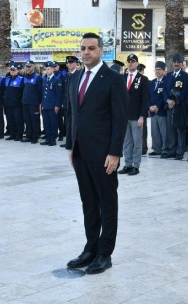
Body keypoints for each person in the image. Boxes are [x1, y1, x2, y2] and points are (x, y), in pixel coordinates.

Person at [65, 32, 127, 275]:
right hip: (81, 152)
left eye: (91, 48)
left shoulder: (112, 79)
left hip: (103, 154)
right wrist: (70, 146)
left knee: (107, 203)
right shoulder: (75, 77)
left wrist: (115, 152)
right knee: (88, 203)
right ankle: (90, 248)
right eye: (83, 48)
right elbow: (71, 115)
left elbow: (120, 118)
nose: (86, 52)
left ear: (101, 50)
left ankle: (104, 253)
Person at [119, 54, 149, 175]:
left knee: (137, 142)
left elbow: (145, 99)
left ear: (137, 64)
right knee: (126, 142)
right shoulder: (122, 78)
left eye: (133, 61)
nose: (130, 63)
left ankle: (136, 165)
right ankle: (128, 164)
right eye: (129, 61)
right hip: (124, 115)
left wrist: (142, 116)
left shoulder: (143, 79)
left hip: (136, 116)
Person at [164, 54, 188, 160]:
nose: (176, 64)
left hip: (180, 107)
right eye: (174, 62)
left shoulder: (186, 77)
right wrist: (168, 100)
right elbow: (165, 90)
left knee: (180, 129)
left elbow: (185, 92)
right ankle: (172, 150)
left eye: (178, 62)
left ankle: (180, 151)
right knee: (170, 129)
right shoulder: (168, 75)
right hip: (169, 106)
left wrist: (175, 101)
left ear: (182, 64)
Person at [147, 61, 168, 157]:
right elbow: (148, 96)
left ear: (164, 71)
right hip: (153, 111)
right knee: (154, 131)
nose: (157, 71)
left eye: (159, 70)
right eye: (156, 70)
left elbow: (165, 97)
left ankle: (165, 149)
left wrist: (157, 106)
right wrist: (150, 106)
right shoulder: (152, 83)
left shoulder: (166, 82)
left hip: (162, 111)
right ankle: (156, 149)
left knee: (164, 131)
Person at [40, 61, 61, 146]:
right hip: (45, 105)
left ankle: (53, 139)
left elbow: (58, 94)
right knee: (46, 123)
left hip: (53, 106)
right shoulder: (44, 79)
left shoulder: (57, 80)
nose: (47, 71)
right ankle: (48, 138)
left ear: (53, 69)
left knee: (53, 123)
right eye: (46, 69)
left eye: (48, 69)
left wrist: (57, 105)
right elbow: (43, 93)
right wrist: (42, 104)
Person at [21, 61, 43, 143]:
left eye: (30, 66)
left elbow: (40, 91)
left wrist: (39, 103)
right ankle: (28, 136)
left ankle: (35, 137)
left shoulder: (38, 77)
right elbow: (22, 89)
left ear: (33, 67)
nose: (28, 68)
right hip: (25, 102)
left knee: (35, 120)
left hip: (34, 103)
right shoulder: (24, 77)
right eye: (27, 66)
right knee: (27, 120)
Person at [3, 64, 24, 141]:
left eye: (14, 70)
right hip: (8, 104)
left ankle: (19, 135)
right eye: (11, 70)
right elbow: (4, 90)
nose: (12, 71)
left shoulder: (21, 79)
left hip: (17, 104)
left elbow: (23, 91)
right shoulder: (7, 79)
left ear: (17, 70)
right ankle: (12, 134)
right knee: (10, 120)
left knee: (18, 120)